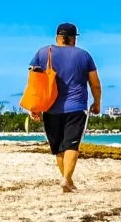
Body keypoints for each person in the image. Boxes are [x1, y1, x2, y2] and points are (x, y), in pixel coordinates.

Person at [29, 23, 102, 193]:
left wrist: (35, 106)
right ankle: (67, 179)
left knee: (59, 147)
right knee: (72, 145)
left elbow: (34, 83)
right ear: (74, 38)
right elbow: (95, 84)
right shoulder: (84, 55)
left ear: (57, 37)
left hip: (50, 107)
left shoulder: (42, 53)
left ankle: (66, 180)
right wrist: (97, 102)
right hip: (76, 107)